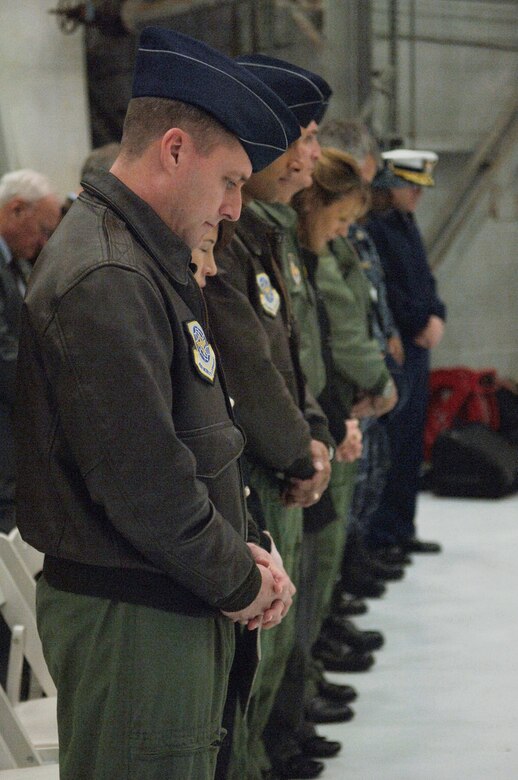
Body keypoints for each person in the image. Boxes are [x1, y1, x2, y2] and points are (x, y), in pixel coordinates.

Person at [14, 27, 302, 780]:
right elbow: (147, 486)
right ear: (174, 150)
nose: (236, 208)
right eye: (231, 181)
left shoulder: (141, 258)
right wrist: (239, 579)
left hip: (168, 595)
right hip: (134, 615)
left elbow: (196, 437)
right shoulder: (106, 274)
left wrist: (245, 556)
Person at [204, 59, 334, 780]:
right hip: (262, 471)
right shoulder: (227, 238)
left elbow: (292, 357)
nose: (310, 155)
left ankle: (272, 752)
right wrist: (299, 453)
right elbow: (250, 373)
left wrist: (312, 434)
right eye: (301, 136)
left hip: (285, 463)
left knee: (277, 649)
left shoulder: (264, 233)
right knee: (251, 670)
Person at [365, 148, 446, 555]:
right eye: (410, 186)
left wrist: (437, 315)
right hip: (400, 344)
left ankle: (401, 527)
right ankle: (381, 534)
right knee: (391, 442)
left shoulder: (404, 222)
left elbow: (423, 278)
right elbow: (389, 288)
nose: (417, 196)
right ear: (390, 182)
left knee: (411, 440)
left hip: (418, 345)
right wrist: (419, 322)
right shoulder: (376, 227)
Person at [0, 169, 61, 532]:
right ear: (17, 209)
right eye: (44, 231)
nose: (44, 244)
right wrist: (52, 383)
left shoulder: (17, 263)